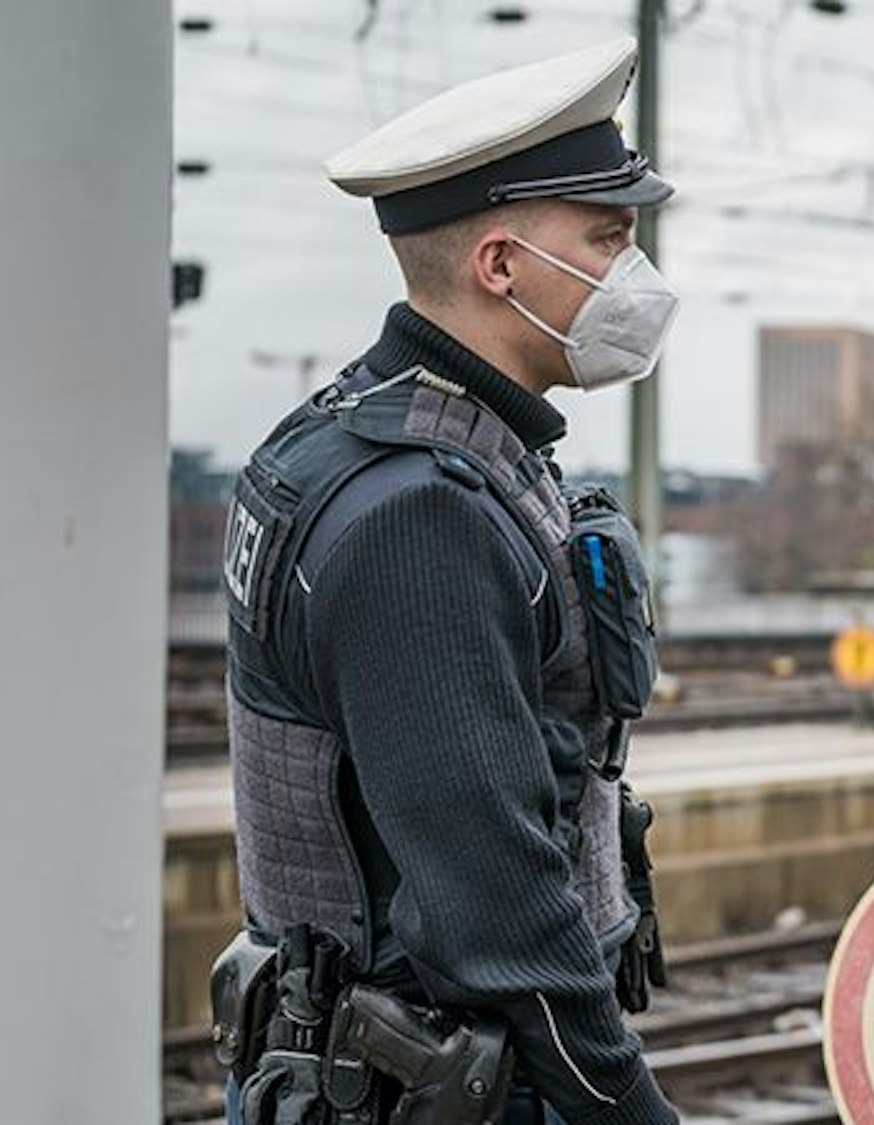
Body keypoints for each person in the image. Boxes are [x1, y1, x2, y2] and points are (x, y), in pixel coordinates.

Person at [211, 37, 680, 1125]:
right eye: (608, 239)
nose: (635, 276)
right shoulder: (418, 516)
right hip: (430, 1088)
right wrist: (626, 1107)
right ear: (501, 265)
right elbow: (494, 911)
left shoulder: (342, 441)